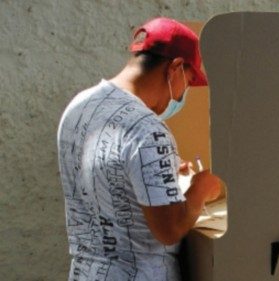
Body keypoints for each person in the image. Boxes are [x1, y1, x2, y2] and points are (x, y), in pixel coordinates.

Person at [57, 17, 222, 281]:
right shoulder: (148, 129)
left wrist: (163, 175)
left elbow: (108, 183)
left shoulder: (80, 106)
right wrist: (200, 188)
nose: (182, 95)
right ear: (176, 67)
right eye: (188, 82)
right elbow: (170, 228)